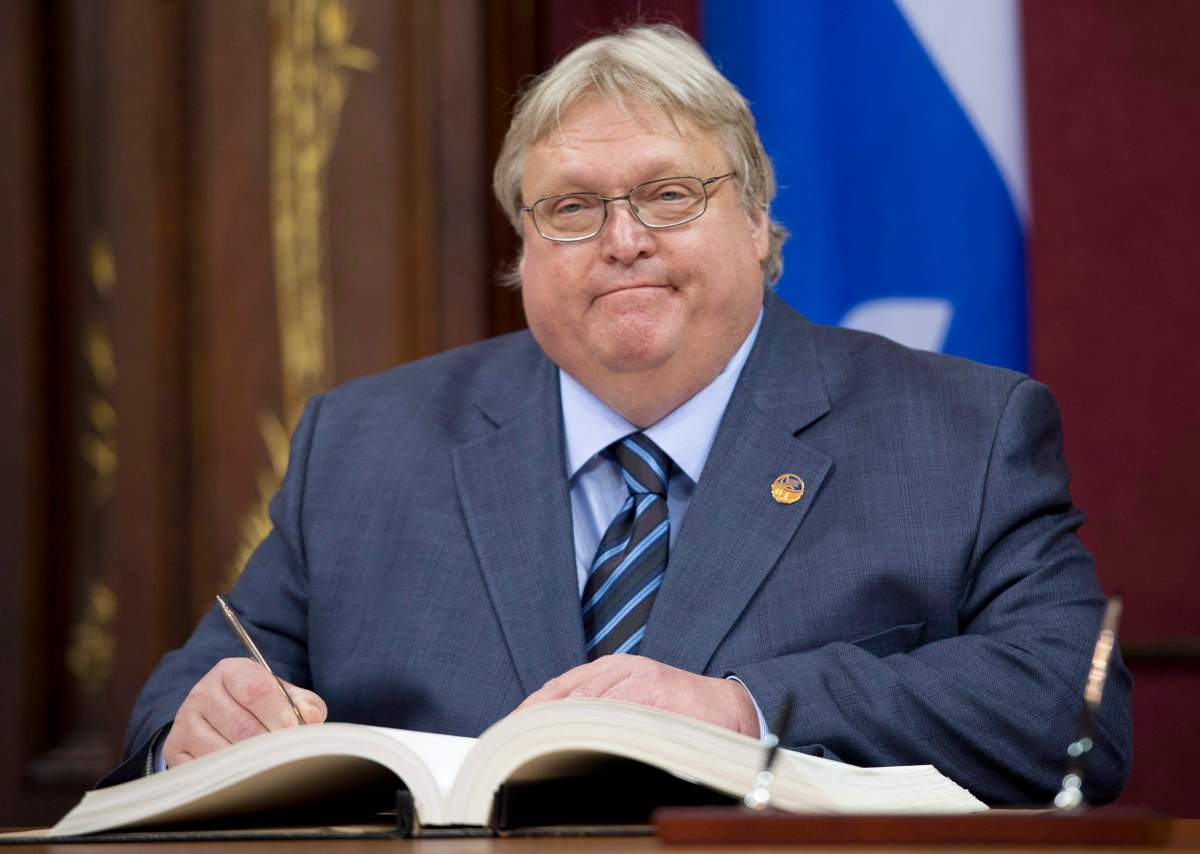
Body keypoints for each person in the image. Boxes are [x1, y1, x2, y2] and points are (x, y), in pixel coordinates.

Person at [102, 25, 1131, 805]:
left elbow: (1072, 710)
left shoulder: (962, 432)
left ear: (760, 216)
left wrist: (744, 709)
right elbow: (176, 702)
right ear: (522, 247)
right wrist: (196, 720)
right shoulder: (364, 445)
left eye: (670, 194)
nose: (623, 239)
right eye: (572, 207)